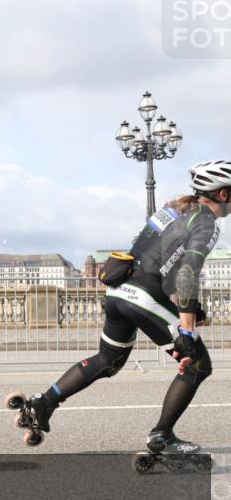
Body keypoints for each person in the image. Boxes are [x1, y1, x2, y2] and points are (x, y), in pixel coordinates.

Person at [23, 159, 229, 455]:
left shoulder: (172, 209)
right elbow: (186, 273)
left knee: (108, 360)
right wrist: (186, 328)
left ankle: (44, 402)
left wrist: (190, 308)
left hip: (120, 290)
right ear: (222, 194)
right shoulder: (207, 224)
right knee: (198, 364)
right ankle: (161, 436)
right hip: (144, 297)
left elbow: (146, 252)